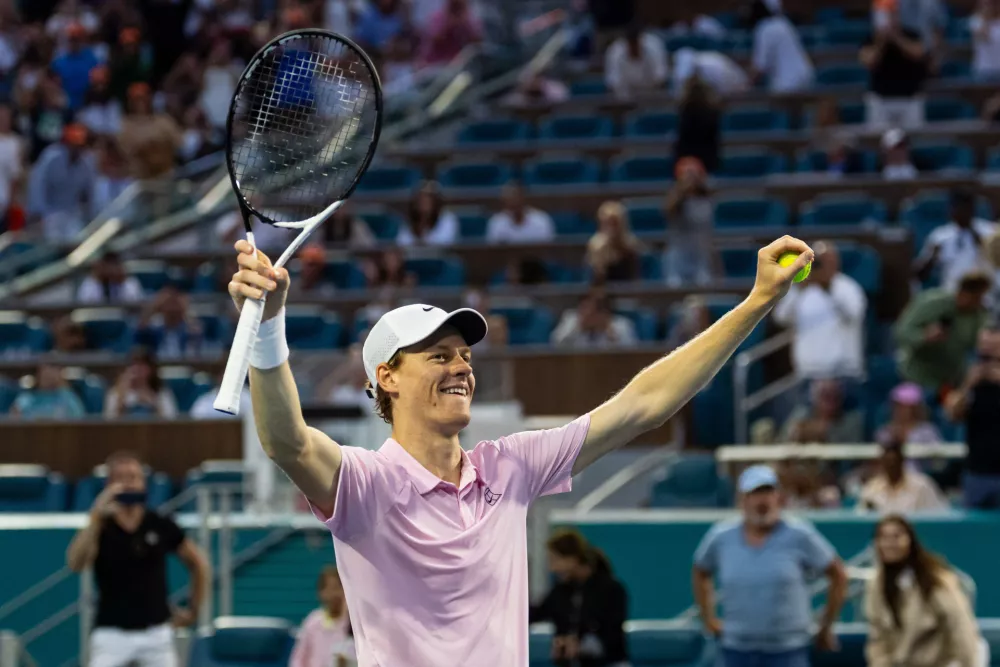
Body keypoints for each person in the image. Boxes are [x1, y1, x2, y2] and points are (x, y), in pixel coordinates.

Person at [226, 231, 815, 666]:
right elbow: (288, 441)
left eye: (464, 356)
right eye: (439, 356)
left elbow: (644, 404)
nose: (461, 367)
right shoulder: (365, 483)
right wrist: (268, 327)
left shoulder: (509, 467)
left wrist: (758, 301)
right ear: (388, 377)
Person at [692, 465, 847, 667]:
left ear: (778, 497)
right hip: (735, 652)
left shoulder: (800, 534)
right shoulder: (721, 537)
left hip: (788, 652)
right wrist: (709, 619)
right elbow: (700, 570)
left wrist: (826, 626)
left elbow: (837, 574)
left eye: (768, 492)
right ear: (743, 499)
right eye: (755, 494)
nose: (762, 500)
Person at [66, 451, 209, 667]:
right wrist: (95, 516)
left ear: (143, 483)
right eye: (121, 478)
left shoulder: (159, 523)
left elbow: (198, 563)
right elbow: (75, 563)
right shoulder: (101, 527)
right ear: (109, 485)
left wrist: (193, 609)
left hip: (156, 633)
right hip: (110, 634)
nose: (129, 484)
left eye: (133, 477)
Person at [864, 515, 984, 667]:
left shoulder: (935, 579)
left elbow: (960, 626)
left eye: (896, 536)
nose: (889, 544)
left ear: (911, 540)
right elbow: (877, 637)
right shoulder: (876, 584)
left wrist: (969, 663)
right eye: (883, 537)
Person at [530, 530, 628, 667]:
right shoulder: (559, 592)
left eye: (555, 560)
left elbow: (612, 637)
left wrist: (580, 646)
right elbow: (534, 615)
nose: (552, 568)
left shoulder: (611, 590)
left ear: (572, 559)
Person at [773, 241, 867, 380]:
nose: (822, 267)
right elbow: (780, 318)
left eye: (826, 261)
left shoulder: (848, 288)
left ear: (836, 262)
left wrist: (828, 288)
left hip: (843, 373)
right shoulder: (801, 290)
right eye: (817, 262)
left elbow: (854, 314)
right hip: (807, 373)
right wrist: (800, 288)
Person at [894, 271, 990, 394]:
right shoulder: (933, 302)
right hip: (918, 378)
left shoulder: (978, 315)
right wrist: (924, 336)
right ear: (962, 293)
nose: (978, 302)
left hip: (950, 381)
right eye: (975, 297)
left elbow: (975, 345)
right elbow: (901, 332)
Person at [944, 326, 1000, 509]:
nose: (987, 352)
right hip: (977, 472)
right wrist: (967, 386)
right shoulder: (969, 373)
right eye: (984, 346)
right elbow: (952, 415)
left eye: (993, 346)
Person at [913, 187, 997, 293]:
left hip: (985, 294)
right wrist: (932, 258)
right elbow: (919, 276)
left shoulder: (989, 231)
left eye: (965, 208)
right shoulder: (940, 236)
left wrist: (981, 243)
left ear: (972, 209)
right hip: (952, 295)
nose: (960, 212)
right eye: (956, 207)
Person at [858, 439, 948, 514]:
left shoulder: (922, 485)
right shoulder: (871, 489)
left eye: (894, 462)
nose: (891, 466)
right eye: (888, 462)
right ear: (882, 463)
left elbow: (940, 515)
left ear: (902, 461)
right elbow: (860, 517)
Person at [290, 567, 354, 667]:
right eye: (330, 588)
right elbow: (297, 660)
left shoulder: (352, 623)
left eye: (338, 587)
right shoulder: (312, 622)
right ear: (321, 593)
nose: (334, 594)